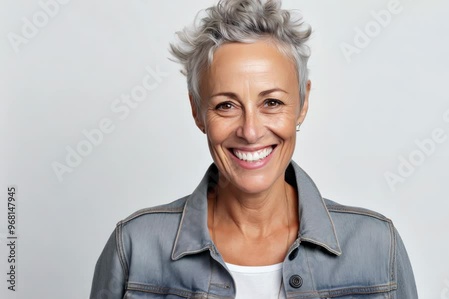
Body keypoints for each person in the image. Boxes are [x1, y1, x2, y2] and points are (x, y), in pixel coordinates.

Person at [90, 0, 418, 298]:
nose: (250, 131)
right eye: (226, 105)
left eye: (272, 102)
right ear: (196, 111)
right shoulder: (135, 247)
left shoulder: (376, 247)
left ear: (303, 103)